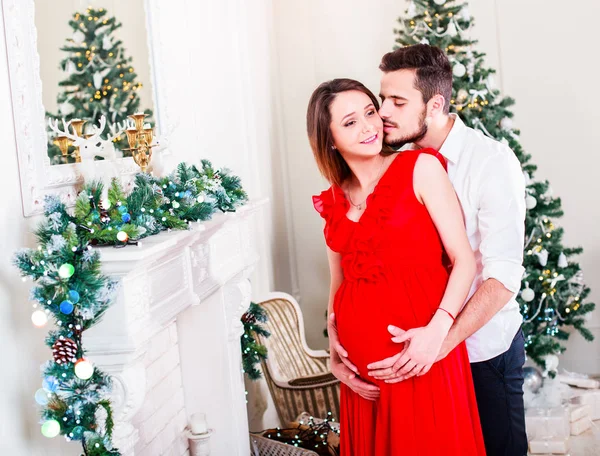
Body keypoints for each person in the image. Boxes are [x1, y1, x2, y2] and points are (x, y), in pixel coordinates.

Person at [328, 45, 528, 456]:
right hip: (412, 366)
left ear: (434, 105)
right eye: (382, 98)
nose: (382, 112)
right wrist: (338, 333)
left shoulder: (490, 162)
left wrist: (440, 340)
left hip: (480, 353)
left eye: (397, 102)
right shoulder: (392, 162)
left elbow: (502, 276)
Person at [308, 77, 485, 455]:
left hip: (421, 356)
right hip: (362, 380)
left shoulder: (419, 168)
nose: (370, 126)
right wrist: (334, 347)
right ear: (330, 139)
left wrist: (438, 331)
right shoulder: (335, 200)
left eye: (370, 112)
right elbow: (337, 282)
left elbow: (463, 261)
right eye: (351, 122)